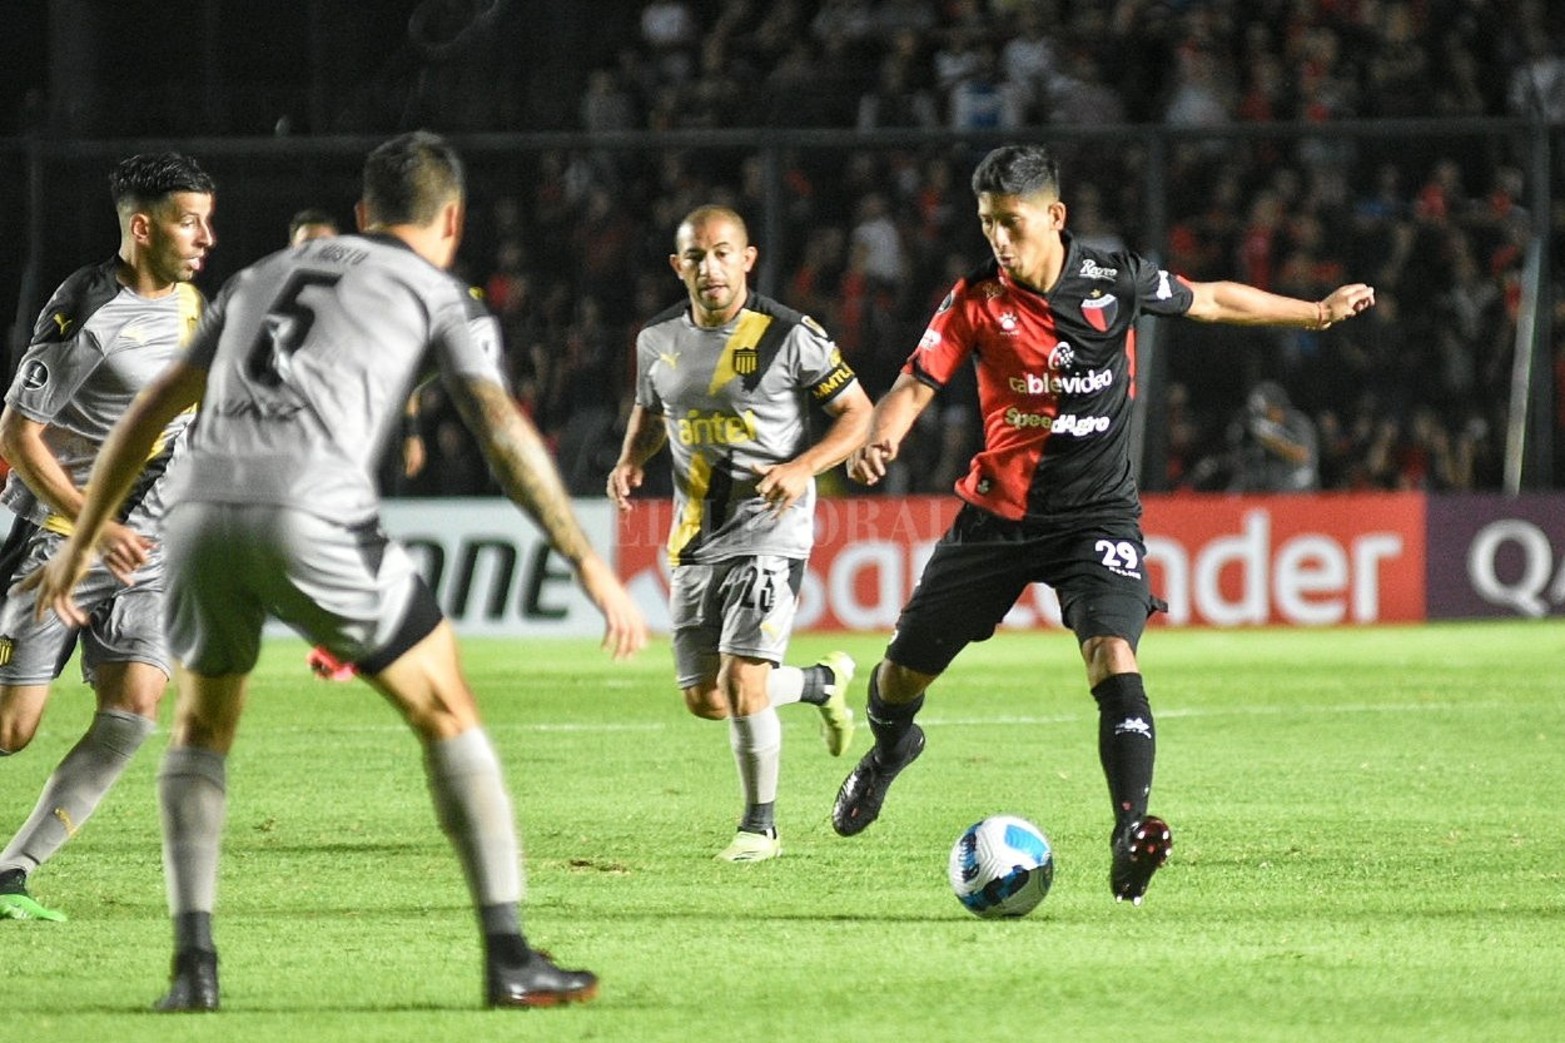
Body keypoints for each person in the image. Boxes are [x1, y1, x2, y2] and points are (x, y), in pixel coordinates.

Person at [25, 130, 648, 1010]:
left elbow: (157, 406)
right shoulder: (436, 290)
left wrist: (86, 535)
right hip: (309, 506)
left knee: (201, 726)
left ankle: (193, 967)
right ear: (453, 218)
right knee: (444, 703)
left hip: (196, 513)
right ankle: (509, 954)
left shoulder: (254, 278)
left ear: (361, 214)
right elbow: (500, 429)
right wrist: (586, 560)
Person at [831, 144, 1376, 904]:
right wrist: (882, 437)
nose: (998, 240)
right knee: (899, 676)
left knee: (1111, 653)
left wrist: (1313, 310)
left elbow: (1210, 298)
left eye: (1010, 225)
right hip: (998, 515)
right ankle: (890, 748)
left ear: (1053, 217)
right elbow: (915, 382)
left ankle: (1130, 831)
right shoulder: (974, 300)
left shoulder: (1112, 277)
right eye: (987, 224)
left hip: (1097, 516)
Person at [608, 205, 873, 863]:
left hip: (771, 532)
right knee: (706, 698)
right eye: (696, 256)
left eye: (723, 252)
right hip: (694, 537)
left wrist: (803, 465)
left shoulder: (789, 335)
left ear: (747, 258)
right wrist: (628, 460)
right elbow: (649, 410)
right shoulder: (656, 339)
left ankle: (761, 826)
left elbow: (857, 414)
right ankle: (816, 684)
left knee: (744, 679)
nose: (711, 267)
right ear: (679, 266)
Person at [0, 152, 217, 922]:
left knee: (135, 702)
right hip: (53, 536)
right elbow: (18, 432)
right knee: (11, 730)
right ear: (142, 226)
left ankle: (11, 872)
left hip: (142, 547)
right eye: (190, 221)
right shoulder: (84, 307)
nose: (205, 237)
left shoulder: (194, 305)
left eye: (207, 221)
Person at [283, 207, 427, 682]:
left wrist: (410, 433)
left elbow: (400, 370)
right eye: (306, 243)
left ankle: (348, 639)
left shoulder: (362, 303)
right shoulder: (266, 301)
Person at [1189, 380, 1320, 492]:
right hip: (1272, 489)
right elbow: (1244, 456)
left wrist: (1272, 440)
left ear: (1276, 406)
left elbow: (1304, 456)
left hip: (1300, 489)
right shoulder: (1262, 425)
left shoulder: (1298, 422)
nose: (1263, 415)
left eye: (1266, 410)